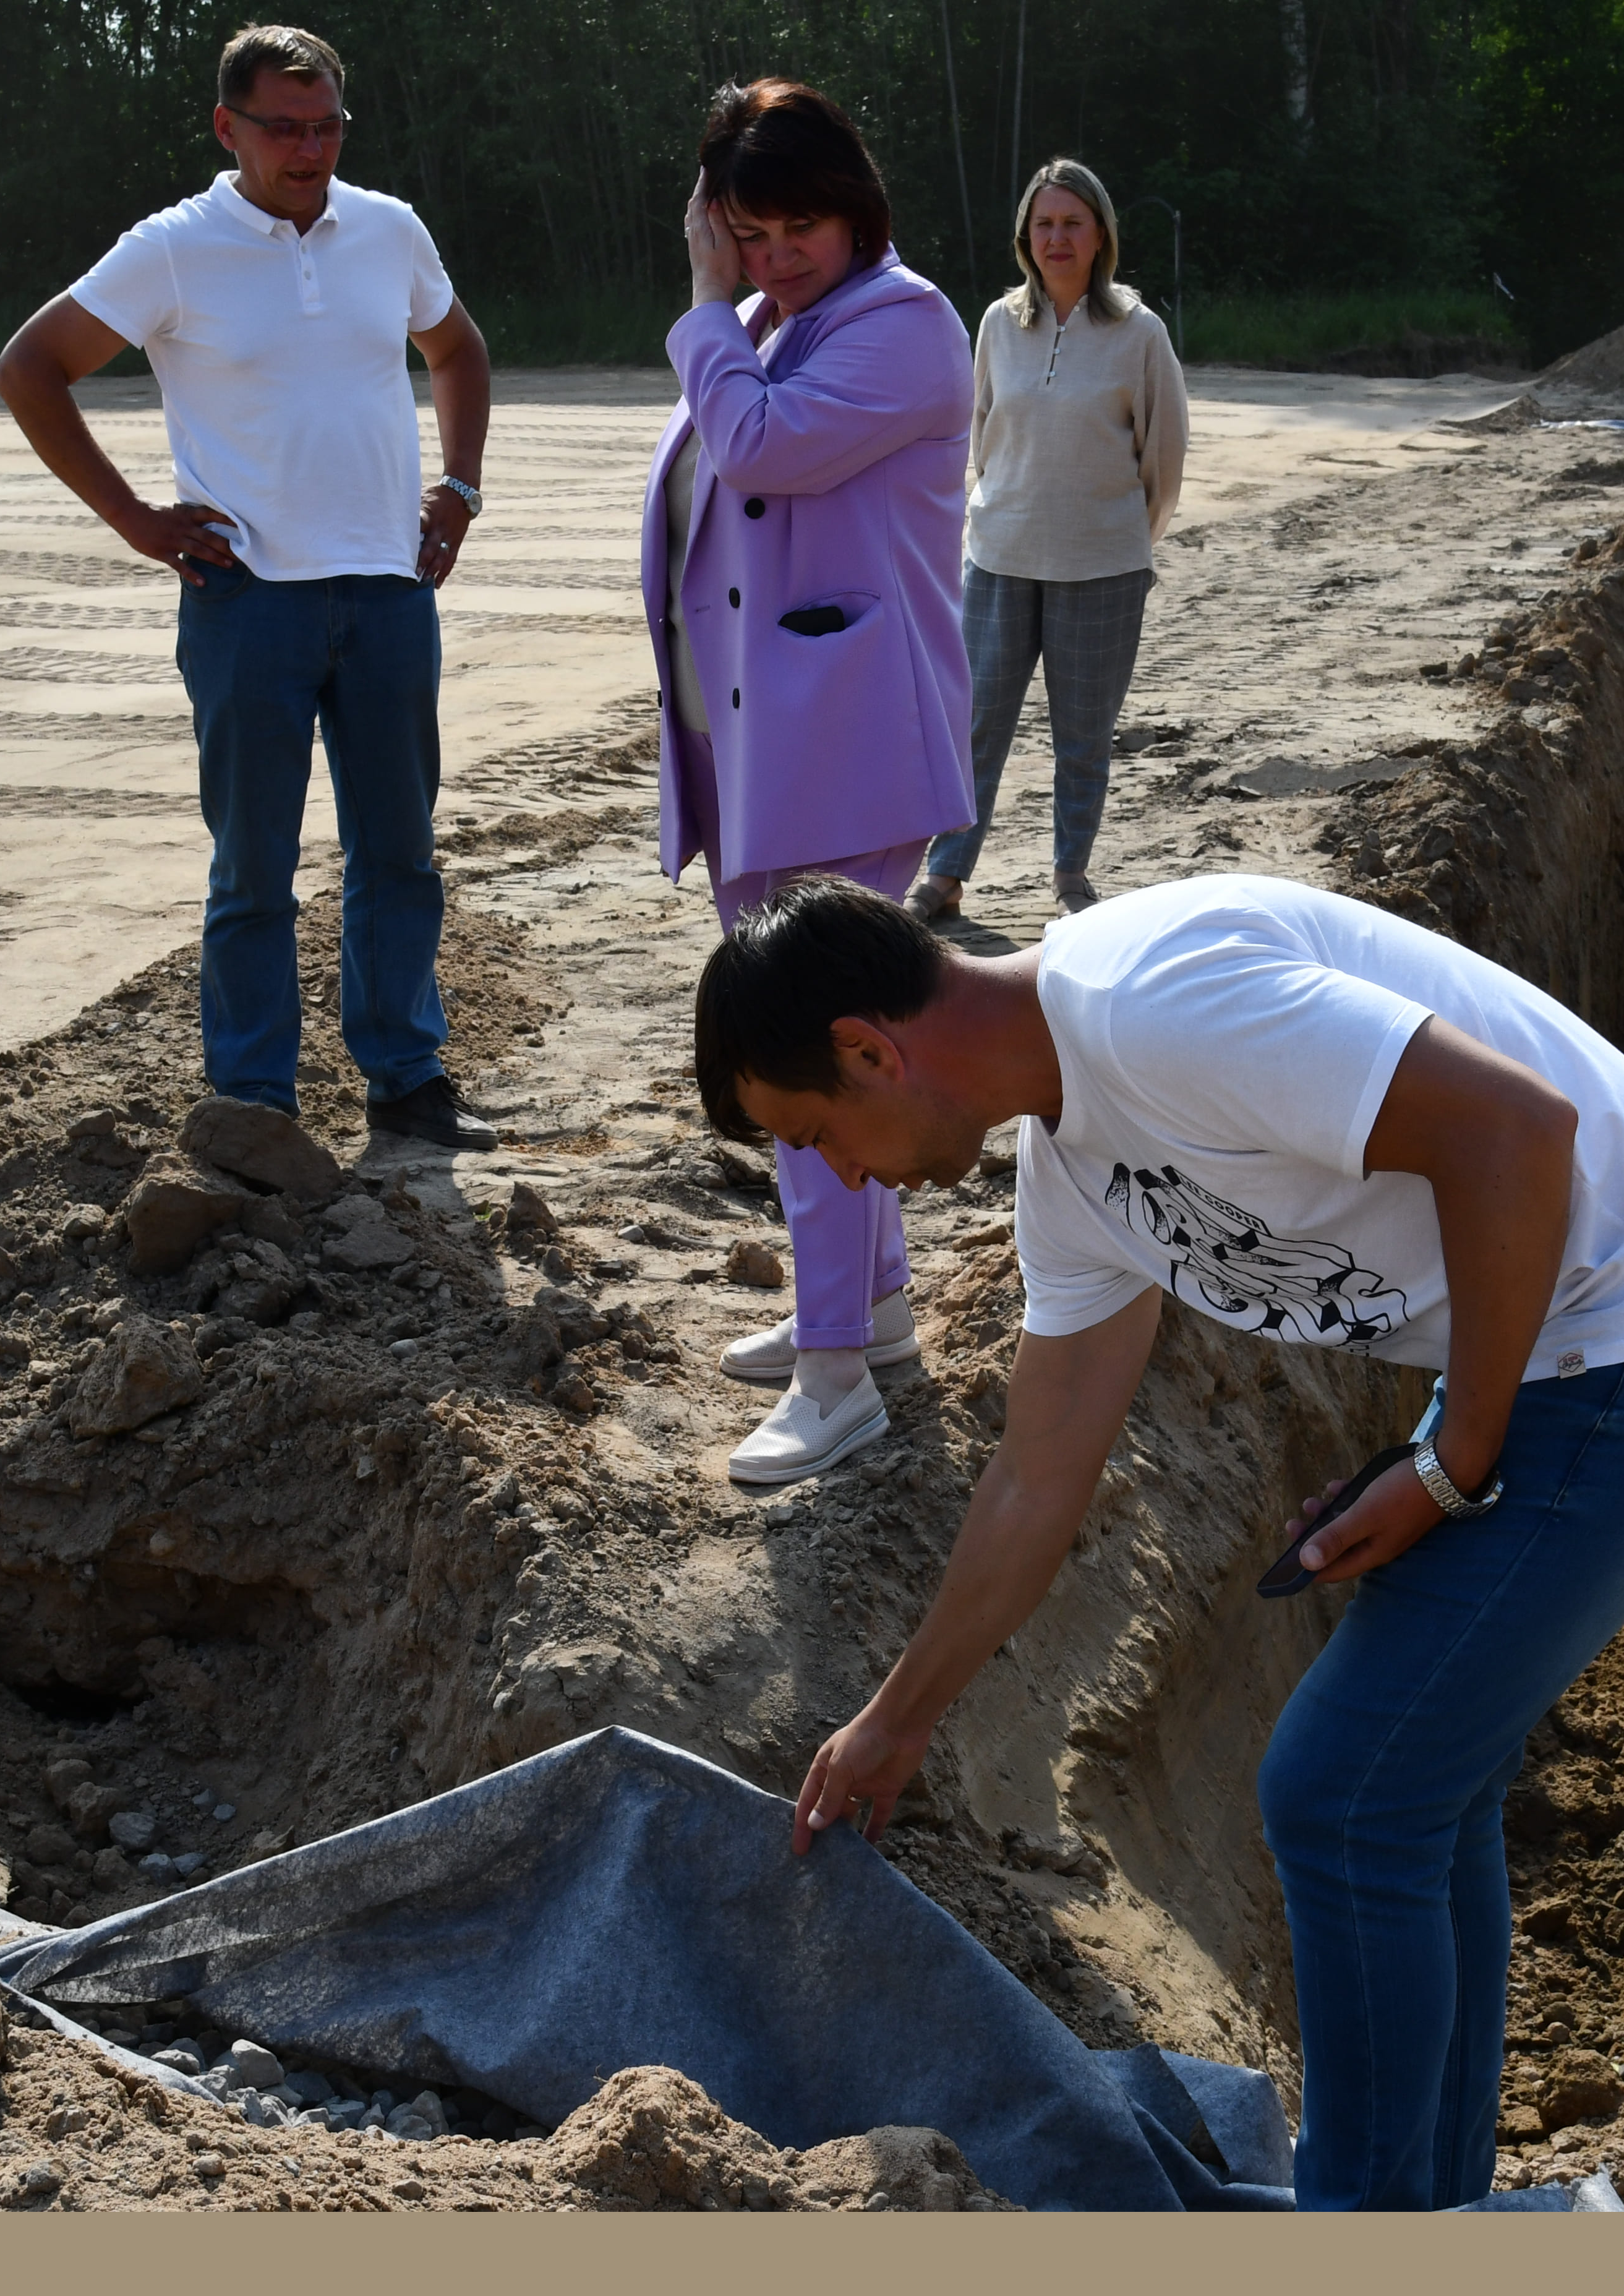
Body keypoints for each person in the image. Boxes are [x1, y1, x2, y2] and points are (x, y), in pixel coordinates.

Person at [694, 873, 1624, 2209]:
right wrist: (898, 1717)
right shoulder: (1074, 1174)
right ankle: (1430, 2209)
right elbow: (1036, 1478)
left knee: (1342, 1793)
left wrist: (1451, 1458)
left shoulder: (1156, 1000)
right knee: (1410, 1794)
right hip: (1566, 1356)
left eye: (819, 1133)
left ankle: (1360, 2223)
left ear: (870, 1048)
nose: (843, 1177)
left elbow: (1518, 1130)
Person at [0, 23, 498, 1152]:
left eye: (326, 128)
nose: (308, 149)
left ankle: (407, 1080)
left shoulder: (387, 231)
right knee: (254, 867)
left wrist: (458, 486)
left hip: (386, 592)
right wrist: (132, 518)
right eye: (284, 128)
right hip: (248, 600)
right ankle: (256, 1103)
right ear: (230, 127)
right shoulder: (172, 249)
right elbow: (28, 367)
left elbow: (456, 350)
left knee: (397, 855)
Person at [639, 79, 977, 1485]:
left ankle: (835, 1378)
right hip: (769, 747)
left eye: (799, 228)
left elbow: (761, 449)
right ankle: (868, 1316)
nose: (776, 255)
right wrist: (739, 314)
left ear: (856, 208)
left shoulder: (901, 325)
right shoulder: (789, 325)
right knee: (811, 1041)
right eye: (748, 228)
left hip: (842, 751)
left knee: (802, 1065)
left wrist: (706, 307)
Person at [908, 159, 1187, 925]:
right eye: (1044, 224)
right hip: (999, 556)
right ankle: (946, 872)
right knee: (976, 724)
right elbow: (982, 436)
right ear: (1025, 238)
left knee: (1083, 735)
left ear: (1101, 236)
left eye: (1072, 223)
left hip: (1103, 566)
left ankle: (1070, 877)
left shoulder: (1139, 333)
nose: (1057, 238)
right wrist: (1002, 512)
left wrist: (1122, 537)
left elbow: (1163, 460)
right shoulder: (1000, 323)